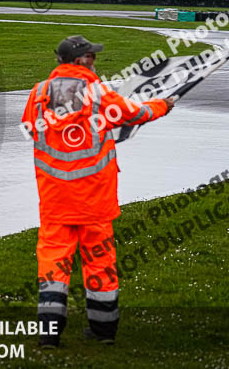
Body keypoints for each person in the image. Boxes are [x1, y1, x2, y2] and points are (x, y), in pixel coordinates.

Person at [21, 35, 176, 348]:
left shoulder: (38, 93)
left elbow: (29, 128)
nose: (95, 60)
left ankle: (49, 334)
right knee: (100, 263)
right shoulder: (97, 93)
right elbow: (134, 113)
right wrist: (162, 105)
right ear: (80, 60)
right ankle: (103, 331)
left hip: (55, 199)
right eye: (91, 56)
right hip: (95, 200)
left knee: (53, 266)